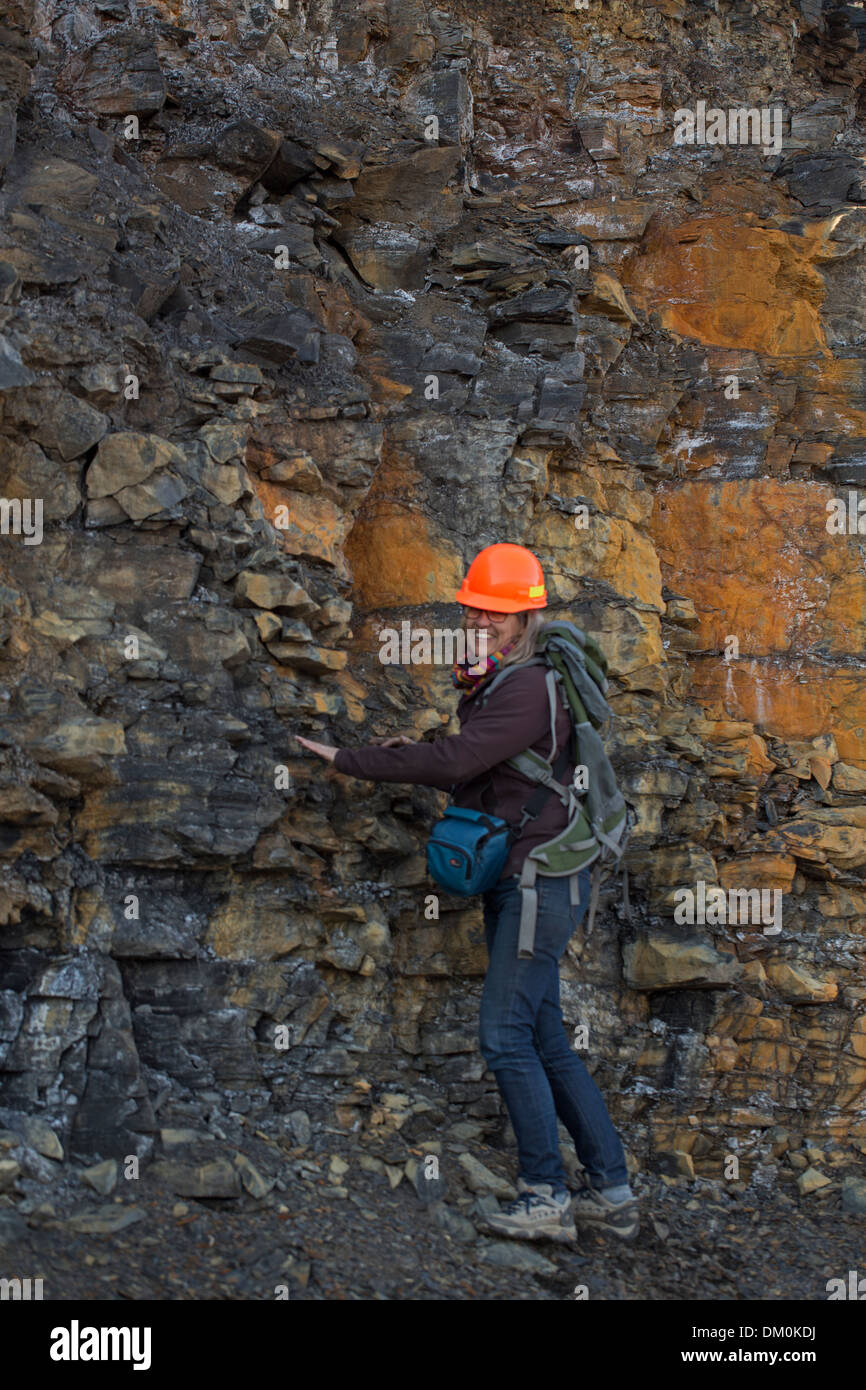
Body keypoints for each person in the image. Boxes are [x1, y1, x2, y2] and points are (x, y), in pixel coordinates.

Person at [295, 543, 638, 1243]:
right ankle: (612, 1192)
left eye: (495, 611)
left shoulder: (526, 684)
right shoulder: (518, 680)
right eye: (474, 607)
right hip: (540, 877)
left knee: (505, 1036)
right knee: (544, 1038)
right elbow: (488, 763)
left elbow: (458, 759)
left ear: (525, 615)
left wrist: (354, 761)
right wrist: (403, 751)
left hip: (537, 881)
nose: (479, 618)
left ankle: (544, 1194)